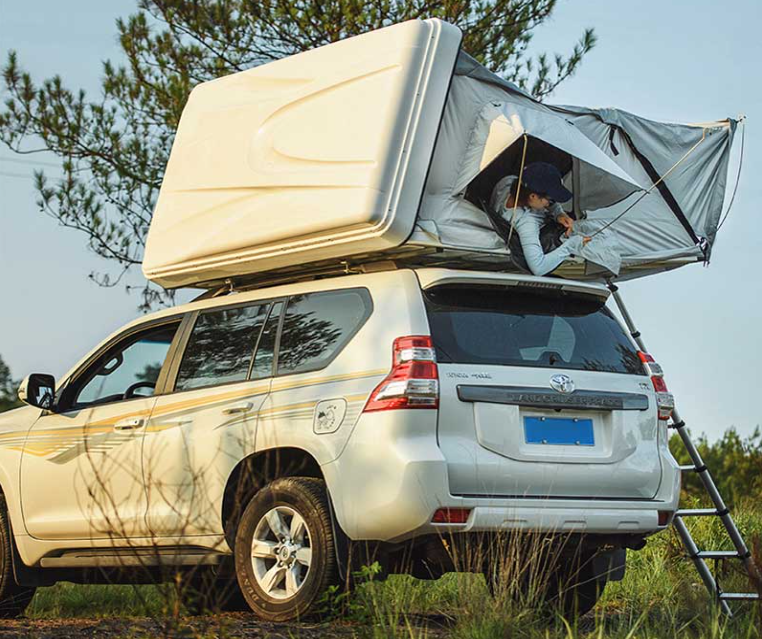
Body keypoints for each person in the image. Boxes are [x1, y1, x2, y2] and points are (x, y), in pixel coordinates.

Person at [489, 162, 590, 276]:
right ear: (533, 196)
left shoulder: (507, 183)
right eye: (550, 200)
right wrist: (571, 246)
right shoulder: (526, 223)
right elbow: (538, 268)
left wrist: (559, 214)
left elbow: (547, 203)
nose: (550, 203)